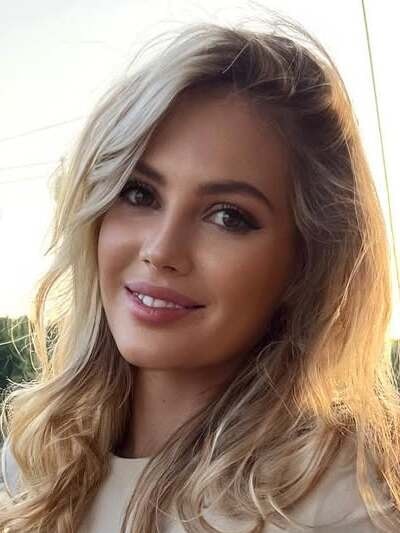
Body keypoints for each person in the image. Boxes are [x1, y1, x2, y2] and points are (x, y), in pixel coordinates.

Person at [0, 12, 399, 533]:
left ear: (306, 264)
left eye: (228, 216)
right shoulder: (36, 457)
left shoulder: (341, 503)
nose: (161, 250)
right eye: (139, 193)